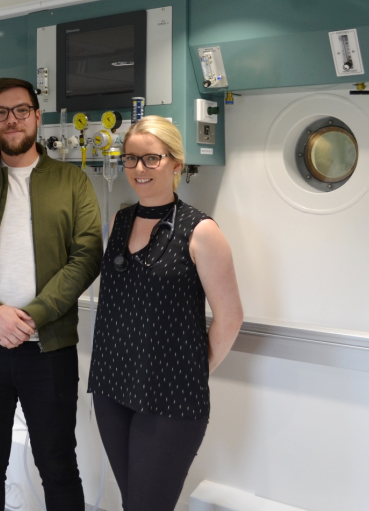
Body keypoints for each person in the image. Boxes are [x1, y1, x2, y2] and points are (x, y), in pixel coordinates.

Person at [0, 77, 103, 510]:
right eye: (1, 113)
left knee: (59, 466)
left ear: (36, 116)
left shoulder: (72, 181)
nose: (12, 121)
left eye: (21, 111)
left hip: (48, 350)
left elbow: (86, 256)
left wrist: (33, 315)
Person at [88, 115, 244, 511]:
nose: (139, 169)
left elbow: (230, 317)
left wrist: (192, 371)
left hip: (171, 396)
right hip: (111, 386)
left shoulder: (201, 231)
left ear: (176, 163)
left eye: (151, 159)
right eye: (130, 159)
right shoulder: (120, 221)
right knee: (133, 503)